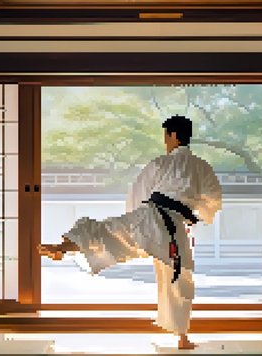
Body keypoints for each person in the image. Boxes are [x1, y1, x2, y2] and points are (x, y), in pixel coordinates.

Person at [38, 115, 222, 350]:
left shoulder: (160, 163)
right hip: (175, 228)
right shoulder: (202, 167)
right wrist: (196, 214)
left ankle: (65, 246)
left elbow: (138, 194)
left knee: (108, 231)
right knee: (179, 280)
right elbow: (213, 199)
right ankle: (182, 338)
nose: (165, 141)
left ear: (174, 136)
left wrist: (135, 220)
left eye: (166, 136)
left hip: (149, 218)